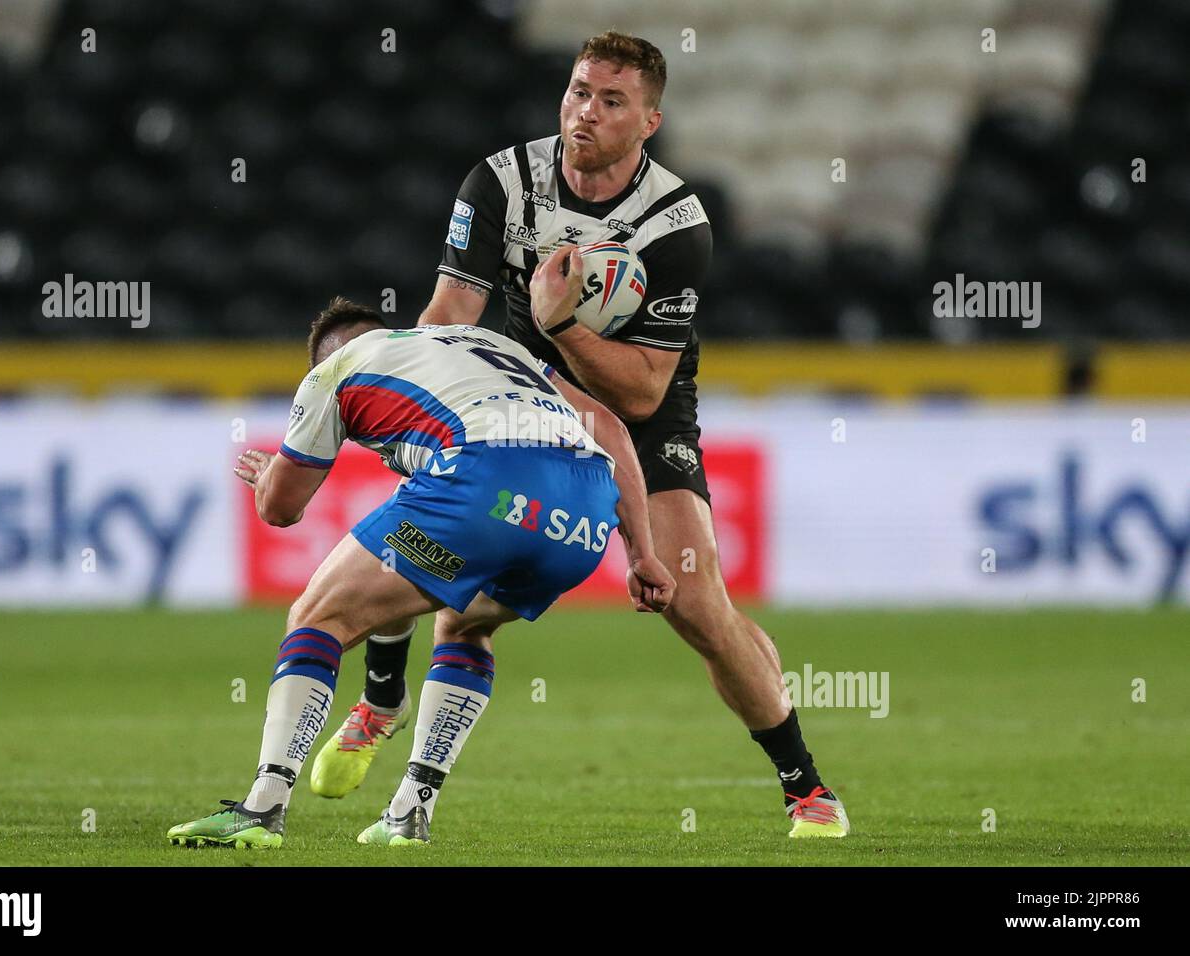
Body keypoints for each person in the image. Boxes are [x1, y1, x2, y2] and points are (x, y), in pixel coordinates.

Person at [314, 30, 848, 838]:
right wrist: (423, 399)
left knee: (698, 606)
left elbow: (642, 390)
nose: (584, 113)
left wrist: (560, 326)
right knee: (447, 571)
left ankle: (806, 787)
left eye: (610, 101)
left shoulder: (676, 223)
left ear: (649, 122)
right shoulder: (499, 180)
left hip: (641, 402)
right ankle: (385, 713)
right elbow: (449, 314)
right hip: (517, 394)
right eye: (576, 91)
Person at [166, 248, 675, 848]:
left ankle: (263, 808)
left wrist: (267, 479)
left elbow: (282, 510)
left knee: (318, 617)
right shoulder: (486, 344)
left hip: (486, 478)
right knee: (461, 623)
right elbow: (612, 429)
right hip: (585, 511)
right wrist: (642, 553)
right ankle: (408, 812)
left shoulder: (333, 371)